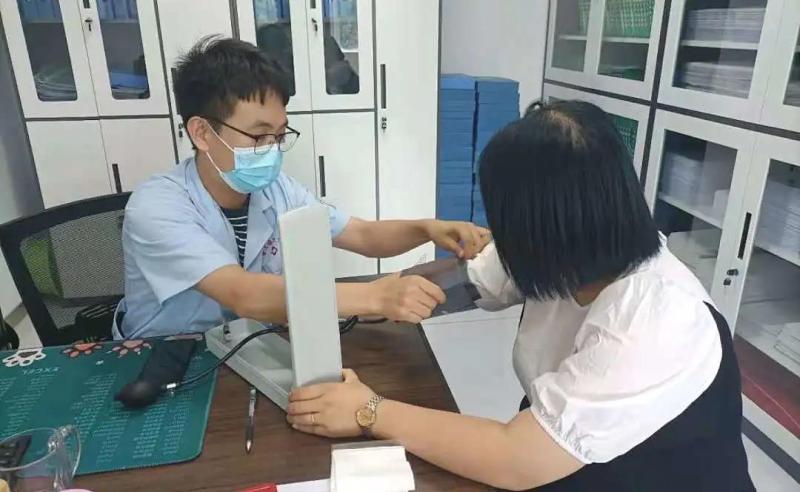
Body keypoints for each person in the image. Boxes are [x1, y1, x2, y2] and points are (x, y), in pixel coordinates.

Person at [286, 101, 755, 491]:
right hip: (560, 451)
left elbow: (516, 459)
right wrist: (381, 295)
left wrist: (369, 410)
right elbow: (463, 282)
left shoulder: (655, 322)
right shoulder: (572, 249)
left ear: (541, 224)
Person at [115, 36, 490, 339]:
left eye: (280, 135)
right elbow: (242, 293)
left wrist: (426, 229)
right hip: (165, 354)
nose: (272, 150)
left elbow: (360, 234)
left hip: (247, 345)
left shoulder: (278, 191)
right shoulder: (157, 206)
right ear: (201, 132)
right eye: (259, 135)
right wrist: (374, 296)